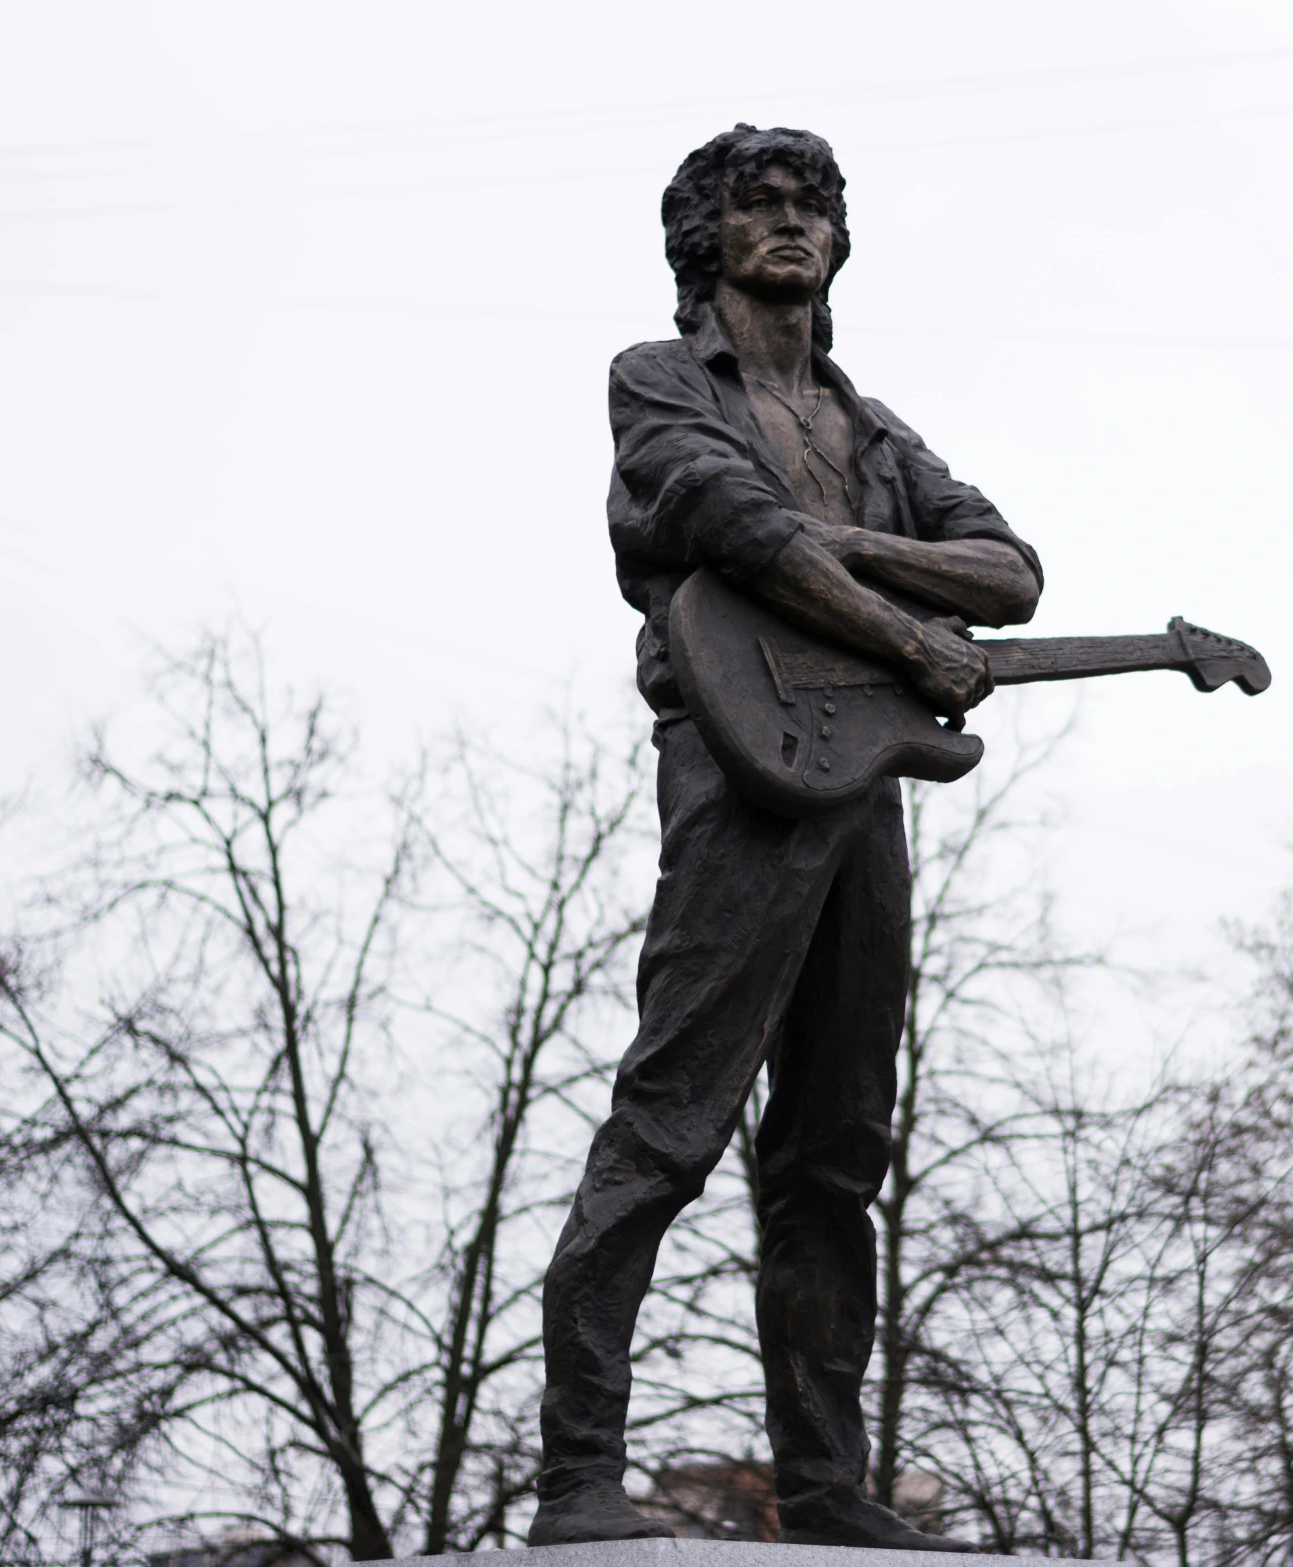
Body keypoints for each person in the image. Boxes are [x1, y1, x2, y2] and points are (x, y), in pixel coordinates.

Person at [528, 125, 1040, 1551]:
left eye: (814, 205)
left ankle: (825, 1481)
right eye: (760, 204)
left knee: (833, 1148)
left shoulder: (868, 428)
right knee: (672, 1116)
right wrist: (897, 629)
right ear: (703, 235)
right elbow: (733, 526)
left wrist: (862, 555)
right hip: (737, 768)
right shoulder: (657, 378)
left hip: (858, 783)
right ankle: (578, 1469)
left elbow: (1008, 567)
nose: (793, 224)